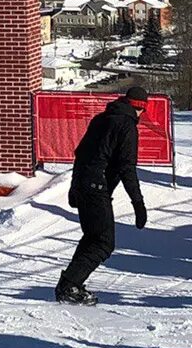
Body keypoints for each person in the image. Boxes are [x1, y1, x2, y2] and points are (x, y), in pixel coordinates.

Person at [56, 86, 151, 305]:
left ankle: (70, 283)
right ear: (139, 108)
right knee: (103, 243)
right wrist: (138, 203)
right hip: (95, 186)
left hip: (84, 182)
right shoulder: (127, 126)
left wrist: (74, 186)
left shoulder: (101, 119)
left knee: (92, 237)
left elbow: (81, 154)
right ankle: (69, 285)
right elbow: (127, 167)